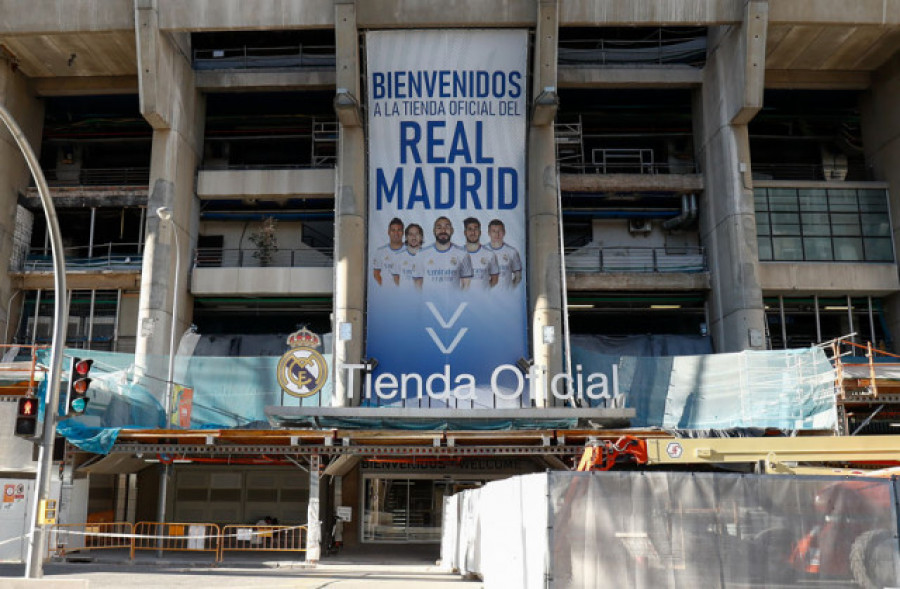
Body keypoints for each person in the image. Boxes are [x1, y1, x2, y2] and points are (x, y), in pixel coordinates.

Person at [418, 216, 473, 290]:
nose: (443, 230)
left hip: (453, 301)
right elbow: (417, 284)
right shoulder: (422, 254)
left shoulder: (463, 254)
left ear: (452, 230)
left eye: (447, 227)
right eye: (439, 227)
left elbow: (466, 285)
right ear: (434, 231)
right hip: (429, 301)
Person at [463, 217, 499, 289]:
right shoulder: (458, 254)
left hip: (483, 299)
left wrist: (483, 292)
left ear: (480, 232)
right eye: (470, 229)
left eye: (475, 229)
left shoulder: (490, 254)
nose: (473, 233)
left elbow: (494, 280)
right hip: (461, 299)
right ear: (465, 232)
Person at [486, 219, 522, 288]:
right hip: (486, 296)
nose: (497, 234)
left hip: (506, 297)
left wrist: (510, 290)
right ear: (489, 233)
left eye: (499, 231)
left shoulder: (512, 251)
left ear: (504, 232)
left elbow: (518, 276)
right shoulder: (483, 251)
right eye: (493, 231)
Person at [372, 217, 405, 286]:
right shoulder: (380, 252)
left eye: (399, 230)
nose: (396, 233)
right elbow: (376, 274)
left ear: (403, 232)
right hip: (387, 294)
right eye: (393, 230)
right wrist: (386, 289)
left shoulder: (411, 251)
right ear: (388, 232)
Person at [393, 223, 424, 289]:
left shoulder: (428, 256)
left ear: (421, 237)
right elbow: (395, 279)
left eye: (416, 234)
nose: (414, 237)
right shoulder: (398, 256)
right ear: (406, 237)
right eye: (411, 234)